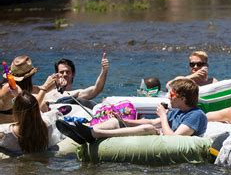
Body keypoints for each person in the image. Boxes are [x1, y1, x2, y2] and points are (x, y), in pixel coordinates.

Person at [57, 78, 208, 144]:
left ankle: (94, 134)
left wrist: (162, 116)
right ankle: (87, 130)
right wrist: (124, 121)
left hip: (172, 142)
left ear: (182, 98)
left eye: (173, 94)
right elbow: (151, 121)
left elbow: (175, 138)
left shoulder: (195, 115)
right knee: (117, 121)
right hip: (161, 132)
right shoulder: (177, 111)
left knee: (149, 129)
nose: (169, 96)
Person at [0, 56, 58, 123]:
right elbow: (32, 108)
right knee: (42, 105)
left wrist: (56, 82)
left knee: (42, 104)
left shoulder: (18, 85)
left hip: (12, 122)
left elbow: (38, 89)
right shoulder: (11, 88)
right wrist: (45, 87)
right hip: (6, 127)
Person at [45, 53, 109, 105]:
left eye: (67, 72)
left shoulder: (76, 94)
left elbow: (96, 89)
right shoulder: (46, 91)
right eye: (61, 72)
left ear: (73, 74)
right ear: (57, 74)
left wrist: (104, 70)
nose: (64, 74)